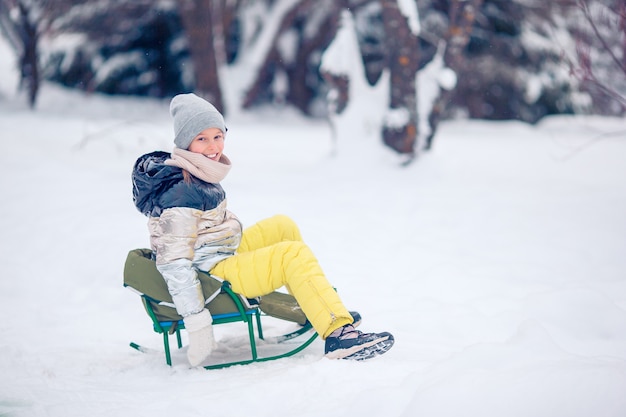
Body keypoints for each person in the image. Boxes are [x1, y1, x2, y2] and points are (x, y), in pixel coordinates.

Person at [132, 93, 394, 366]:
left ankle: (316, 305)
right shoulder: (181, 193)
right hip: (212, 276)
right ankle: (338, 334)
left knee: (282, 226)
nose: (213, 146)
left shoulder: (195, 172)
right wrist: (197, 322)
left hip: (217, 254)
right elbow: (173, 262)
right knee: (291, 254)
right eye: (202, 138)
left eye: (217, 136)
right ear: (186, 143)